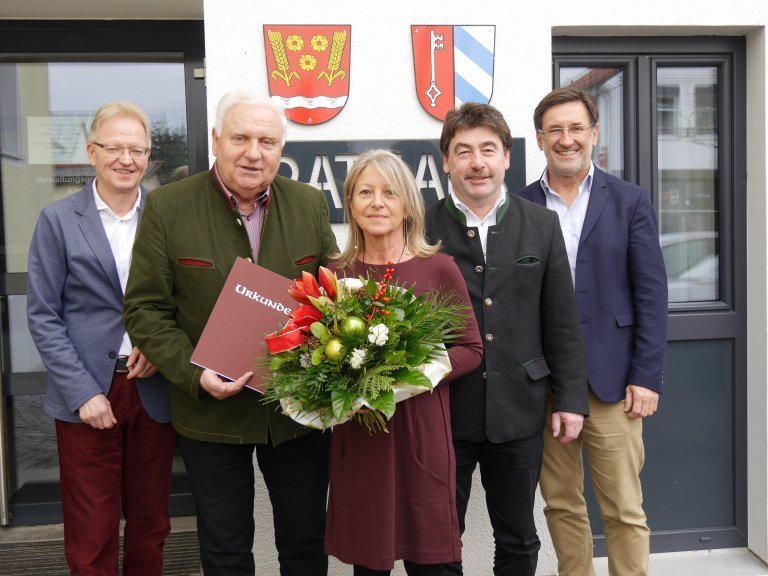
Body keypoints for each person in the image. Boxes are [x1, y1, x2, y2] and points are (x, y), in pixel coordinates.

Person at [123, 90, 338, 576]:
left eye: (267, 140)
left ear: (281, 150)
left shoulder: (308, 203)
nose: (253, 152)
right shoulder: (167, 206)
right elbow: (145, 310)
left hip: (296, 414)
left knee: (306, 546)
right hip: (210, 417)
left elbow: (331, 293)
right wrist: (193, 373)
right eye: (240, 138)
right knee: (224, 551)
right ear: (216, 140)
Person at [423, 102, 589, 576]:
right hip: (442, 410)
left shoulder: (540, 224)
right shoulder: (420, 228)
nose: (477, 162)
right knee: (437, 540)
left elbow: (561, 321)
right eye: (464, 151)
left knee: (518, 537)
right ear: (447, 160)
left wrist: (571, 399)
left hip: (520, 409)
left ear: (507, 158)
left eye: (488, 150)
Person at [517, 87, 668, 576]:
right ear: (539, 139)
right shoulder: (516, 207)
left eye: (576, 128)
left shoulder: (629, 201)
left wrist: (646, 376)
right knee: (561, 506)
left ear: (594, 134)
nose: (566, 139)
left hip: (613, 383)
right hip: (547, 387)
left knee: (624, 509)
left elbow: (652, 296)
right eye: (555, 130)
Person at [27, 101, 175, 575]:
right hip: (88, 393)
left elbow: (189, 298)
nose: (127, 159)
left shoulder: (167, 215)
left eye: (138, 149)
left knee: (151, 526)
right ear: (92, 152)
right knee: (92, 530)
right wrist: (83, 392)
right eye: (115, 147)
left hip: (153, 389)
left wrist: (160, 344)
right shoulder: (57, 220)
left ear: (149, 156)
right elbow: (43, 315)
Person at [324, 150, 483, 576]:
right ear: (350, 204)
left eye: (389, 192)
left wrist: (415, 373)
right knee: (369, 564)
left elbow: (472, 349)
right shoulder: (335, 276)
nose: (377, 203)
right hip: (362, 438)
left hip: (421, 435)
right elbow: (317, 355)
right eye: (365, 192)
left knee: (433, 561)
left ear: (408, 204)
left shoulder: (439, 269)